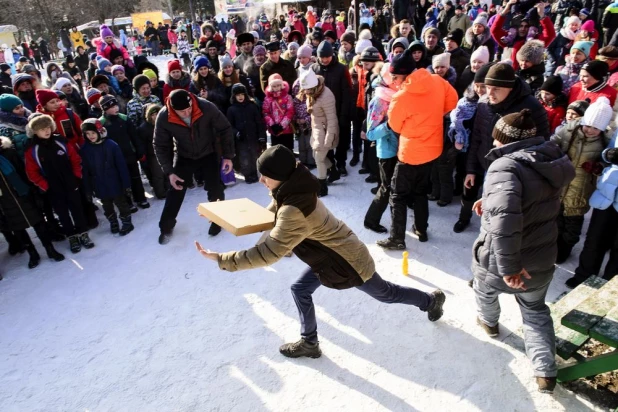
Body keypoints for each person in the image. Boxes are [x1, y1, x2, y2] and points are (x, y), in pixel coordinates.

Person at [195, 144, 446, 358]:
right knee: (300, 289)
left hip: (347, 260)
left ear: (281, 176)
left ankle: (431, 301)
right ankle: (310, 343)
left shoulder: (293, 208)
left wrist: (221, 259)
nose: (261, 180)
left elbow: (269, 253)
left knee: (386, 294)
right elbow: (266, 217)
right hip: (328, 256)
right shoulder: (291, 188)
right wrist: (224, 216)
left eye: (266, 176)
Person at [472, 107, 575, 394]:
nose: (493, 144)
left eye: (497, 139)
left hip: (503, 256)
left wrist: (510, 268)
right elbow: (529, 199)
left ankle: (489, 322)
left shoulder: (504, 166)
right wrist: (489, 199)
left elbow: (505, 225)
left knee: (484, 288)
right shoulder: (549, 158)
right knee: (535, 310)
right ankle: (545, 371)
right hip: (542, 254)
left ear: (507, 140)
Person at [377, 49, 458, 249]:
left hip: (410, 152)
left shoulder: (401, 97)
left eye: (395, 77)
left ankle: (397, 238)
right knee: (421, 192)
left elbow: (395, 126)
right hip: (433, 149)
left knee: (398, 195)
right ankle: (421, 229)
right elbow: (453, 100)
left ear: (404, 74)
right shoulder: (437, 81)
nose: (394, 81)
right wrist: (434, 114)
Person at [456, 63, 550, 234]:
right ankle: (466, 220)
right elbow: (476, 137)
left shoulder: (532, 108)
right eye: (487, 87)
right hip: (485, 165)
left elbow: (541, 146)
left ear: (510, 87)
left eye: (496, 89)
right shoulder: (484, 103)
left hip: (512, 173)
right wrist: (471, 169)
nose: (489, 93)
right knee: (473, 196)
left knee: (499, 213)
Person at [153, 89, 234, 244]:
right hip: (184, 155)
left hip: (208, 152)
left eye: (189, 108)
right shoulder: (164, 116)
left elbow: (225, 128)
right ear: (173, 108)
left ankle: (218, 219)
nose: (186, 112)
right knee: (176, 188)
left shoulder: (205, 107)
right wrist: (169, 172)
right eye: (182, 111)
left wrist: (228, 156)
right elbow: (160, 145)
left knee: (215, 187)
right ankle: (166, 226)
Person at [551, 97, 613, 265]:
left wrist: (597, 166)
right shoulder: (569, 131)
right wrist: (556, 152)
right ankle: (551, 248)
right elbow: (553, 142)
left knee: (572, 225)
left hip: (581, 189)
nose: (590, 130)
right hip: (560, 185)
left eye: (595, 128)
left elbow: (607, 160)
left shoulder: (605, 140)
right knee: (554, 220)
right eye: (587, 125)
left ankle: (564, 249)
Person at [24, 114, 95, 253]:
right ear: (35, 131)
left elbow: (75, 159)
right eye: (42, 129)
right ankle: (71, 236)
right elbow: (32, 173)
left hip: (70, 182)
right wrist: (46, 186)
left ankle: (83, 233)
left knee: (77, 209)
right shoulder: (32, 149)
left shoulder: (60, 141)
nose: (46, 131)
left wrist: (76, 177)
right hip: (53, 187)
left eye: (48, 127)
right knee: (62, 213)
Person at [0, 134, 64, 268]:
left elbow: (24, 173)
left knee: (39, 222)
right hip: (5, 202)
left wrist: (33, 192)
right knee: (19, 229)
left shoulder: (9, 153)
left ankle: (50, 249)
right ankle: (32, 253)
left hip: (23, 195)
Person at [567, 135, 618, 287]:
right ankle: (584, 276)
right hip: (607, 193)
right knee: (595, 238)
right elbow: (606, 152)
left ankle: (610, 284)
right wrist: (609, 154)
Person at [363, 63, 400, 233]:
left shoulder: (395, 96)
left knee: (393, 188)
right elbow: (370, 133)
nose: (397, 81)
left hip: (399, 149)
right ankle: (371, 220)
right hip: (386, 152)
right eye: (393, 78)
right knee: (386, 189)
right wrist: (389, 126)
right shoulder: (379, 100)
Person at [80, 118, 134, 236]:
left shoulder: (111, 145)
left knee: (121, 203)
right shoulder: (85, 149)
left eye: (93, 133)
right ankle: (113, 221)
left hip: (115, 182)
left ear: (99, 131)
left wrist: (126, 184)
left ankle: (126, 221)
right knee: (106, 205)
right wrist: (88, 189)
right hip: (99, 184)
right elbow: (85, 171)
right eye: (87, 134)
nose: (90, 136)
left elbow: (121, 166)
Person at [99, 95, 149, 211]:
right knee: (121, 180)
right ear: (105, 109)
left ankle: (140, 198)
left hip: (129, 153)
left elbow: (134, 136)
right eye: (111, 107)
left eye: (116, 105)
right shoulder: (101, 123)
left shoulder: (124, 119)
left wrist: (139, 150)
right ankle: (127, 202)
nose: (115, 108)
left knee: (135, 177)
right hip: (114, 158)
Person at [298, 70, 338, 197]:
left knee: (319, 159)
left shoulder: (326, 96)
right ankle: (333, 171)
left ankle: (322, 187)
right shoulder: (313, 92)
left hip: (325, 130)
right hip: (316, 128)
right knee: (317, 156)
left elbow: (332, 119)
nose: (306, 92)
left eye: (308, 89)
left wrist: (329, 138)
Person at [226, 83, 265, 184]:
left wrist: (261, 136)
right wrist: (236, 133)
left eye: (242, 94)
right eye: (238, 95)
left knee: (255, 156)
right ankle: (248, 175)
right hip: (241, 140)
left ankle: (255, 173)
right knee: (244, 158)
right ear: (234, 96)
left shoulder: (252, 106)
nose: (240, 97)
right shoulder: (231, 109)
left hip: (253, 137)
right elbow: (230, 126)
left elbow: (259, 122)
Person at [137, 104, 169, 199]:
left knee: (168, 172)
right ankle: (161, 193)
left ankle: (169, 190)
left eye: (157, 113)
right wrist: (144, 157)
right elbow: (142, 144)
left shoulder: (164, 123)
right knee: (158, 175)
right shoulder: (143, 128)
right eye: (153, 114)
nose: (155, 116)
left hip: (165, 152)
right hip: (153, 155)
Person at [262, 74, 295, 151]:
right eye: (274, 86)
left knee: (288, 149)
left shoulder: (287, 97)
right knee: (276, 150)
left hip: (286, 129)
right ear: (270, 87)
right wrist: (272, 124)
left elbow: (290, 111)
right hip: (274, 130)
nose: (276, 88)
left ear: (282, 85)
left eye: (278, 85)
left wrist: (282, 125)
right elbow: (265, 112)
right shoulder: (268, 99)